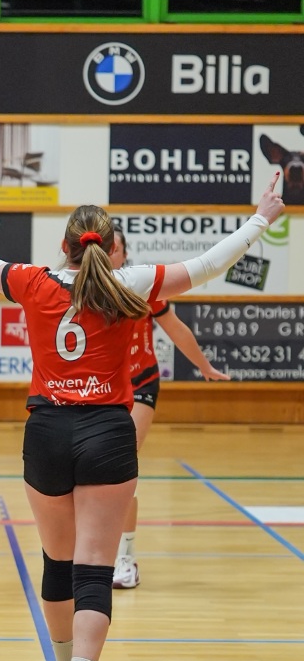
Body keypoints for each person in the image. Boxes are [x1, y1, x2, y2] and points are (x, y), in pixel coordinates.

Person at [0, 177, 284, 661]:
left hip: (46, 431)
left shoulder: (31, 281)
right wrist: (261, 218)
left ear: (63, 246)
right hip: (108, 432)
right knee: (94, 571)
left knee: (57, 565)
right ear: (111, 248)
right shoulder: (129, 283)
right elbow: (209, 264)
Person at [109, 226, 230, 589]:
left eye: (115, 247)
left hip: (140, 383)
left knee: (121, 464)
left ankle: (125, 558)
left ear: (124, 254)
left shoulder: (143, 287)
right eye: (105, 246)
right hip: (102, 390)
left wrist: (204, 366)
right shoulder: (84, 285)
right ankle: (90, 554)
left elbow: (176, 329)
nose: (110, 252)